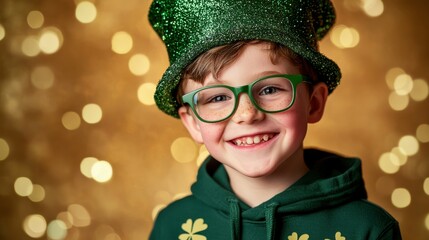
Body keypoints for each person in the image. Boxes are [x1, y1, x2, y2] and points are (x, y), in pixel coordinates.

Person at [148, 0, 402, 239]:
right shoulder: (171, 225)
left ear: (313, 102)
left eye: (270, 90)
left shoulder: (369, 229)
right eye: (216, 98)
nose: (247, 114)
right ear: (193, 123)